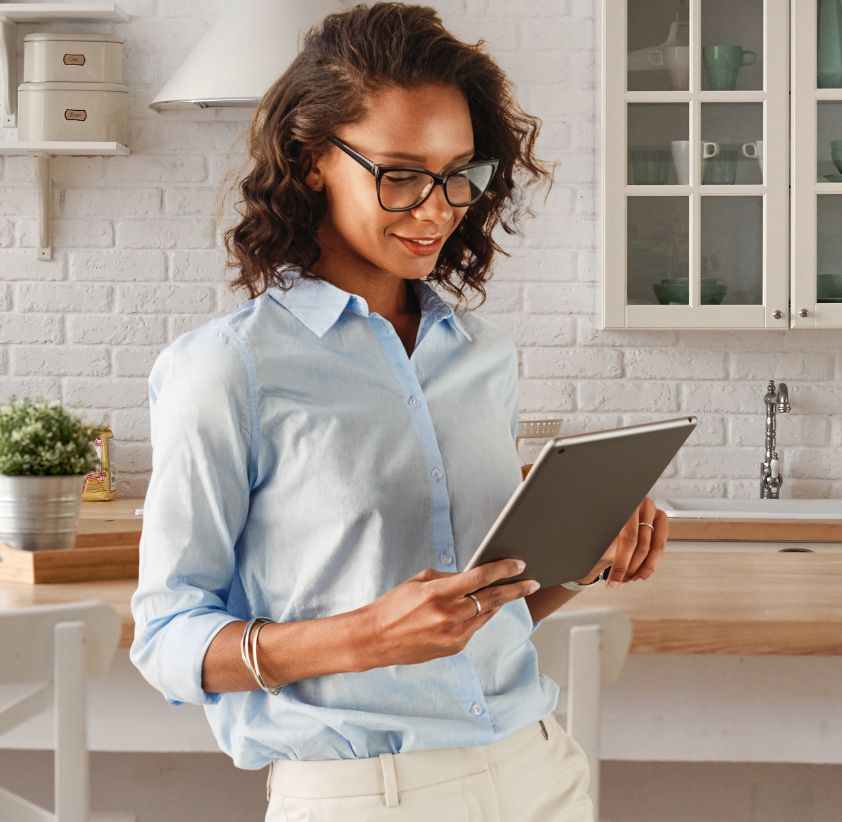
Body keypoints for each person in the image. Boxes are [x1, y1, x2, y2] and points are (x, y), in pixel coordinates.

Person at [129, 5, 668, 820]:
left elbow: (485, 617)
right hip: (365, 795)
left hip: (540, 773)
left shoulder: (479, 354)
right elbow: (168, 640)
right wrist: (366, 636)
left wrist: (584, 555)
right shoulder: (227, 368)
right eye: (401, 174)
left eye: (459, 173)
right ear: (312, 161)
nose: (438, 208)